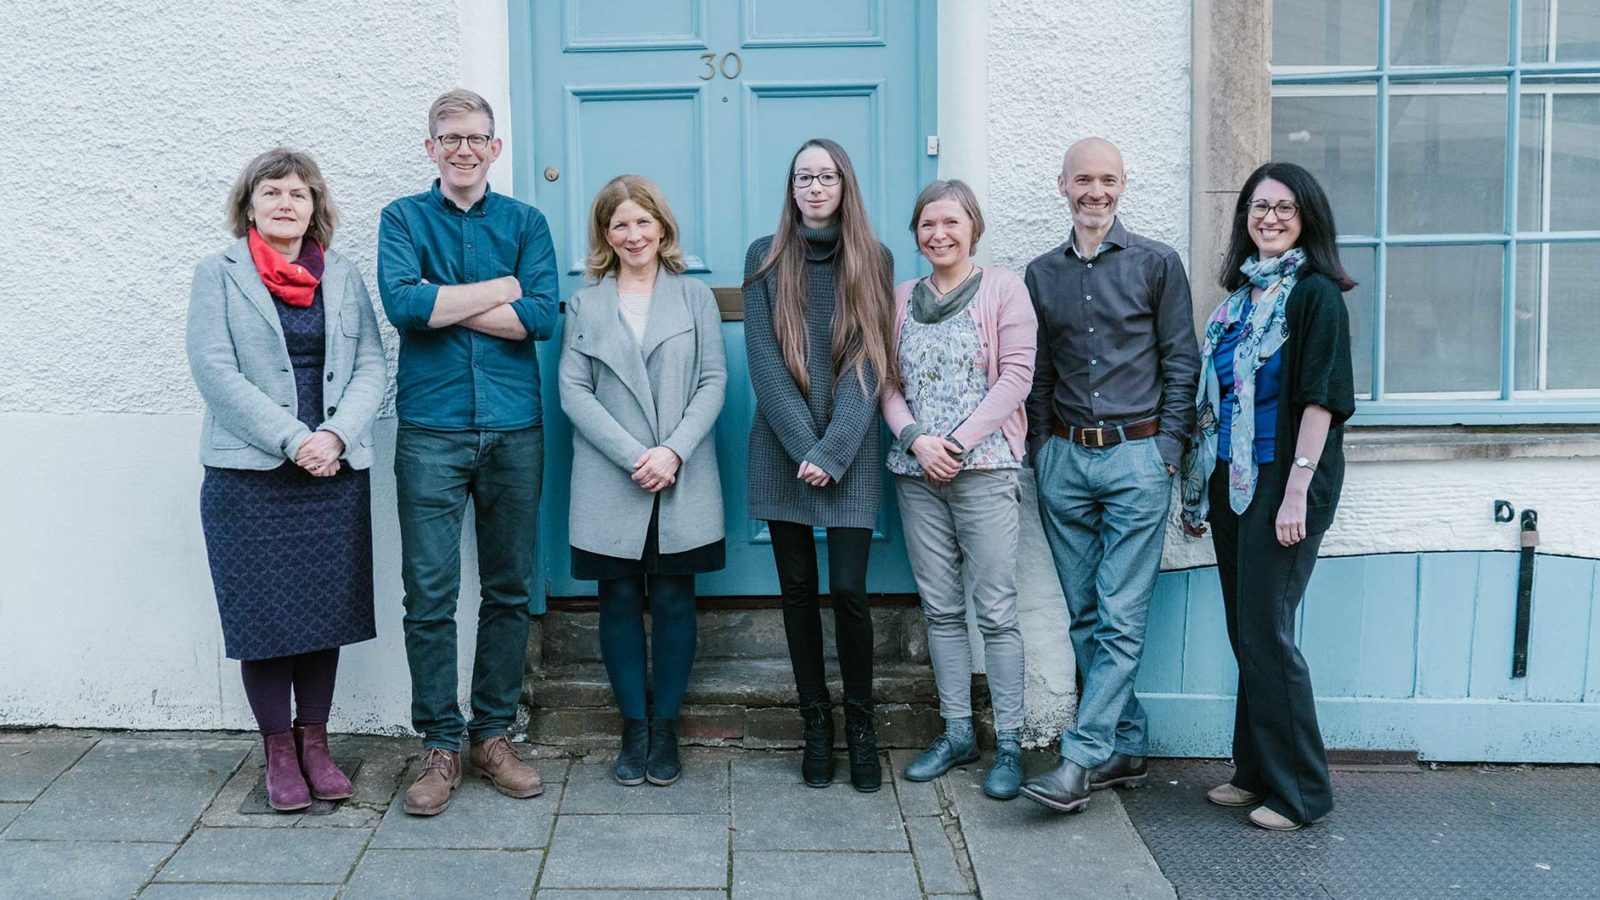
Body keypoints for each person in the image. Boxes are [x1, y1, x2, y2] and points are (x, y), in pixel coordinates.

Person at [378, 88, 560, 816]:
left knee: (509, 588)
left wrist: (445, 301)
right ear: (431, 147)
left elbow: (540, 317)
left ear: (494, 148)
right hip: (432, 428)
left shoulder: (526, 222)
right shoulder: (402, 218)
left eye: (476, 137)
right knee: (428, 593)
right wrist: (499, 290)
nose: (463, 149)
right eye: (450, 137)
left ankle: (492, 734)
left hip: (515, 427)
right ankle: (440, 744)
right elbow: (404, 306)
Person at [187, 148, 386, 811]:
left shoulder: (343, 275)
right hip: (250, 475)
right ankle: (279, 750)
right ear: (249, 205)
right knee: (264, 614)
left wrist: (336, 436)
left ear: (314, 206)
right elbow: (215, 371)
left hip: (332, 470)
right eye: (271, 192)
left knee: (324, 612)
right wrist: (295, 439)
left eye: (298, 193)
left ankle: (316, 744)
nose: (284, 203)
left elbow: (371, 364)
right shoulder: (218, 275)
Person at [1019, 137, 1201, 814]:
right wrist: (1041, 450)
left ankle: (1080, 758)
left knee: (1120, 617)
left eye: (1107, 180)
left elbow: (1182, 361)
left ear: (1123, 186)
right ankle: (1125, 745)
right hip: (1064, 459)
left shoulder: (1157, 263)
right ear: (1062, 185)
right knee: (1086, 615)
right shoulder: (1041, 274)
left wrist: (1167, 450)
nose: (1095, 192)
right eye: (1083, 180)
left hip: (1138, 457)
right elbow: (1038, 371)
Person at [1179, 162, 1356, 832]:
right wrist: (1201, 490)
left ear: (1306, 217)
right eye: (1259, 206)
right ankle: (1254, 772)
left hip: (1285, 484)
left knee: (1267, 635)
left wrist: (1296, 494)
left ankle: (1302, 793)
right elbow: (1217, 402)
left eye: (1284, 207)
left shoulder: (1314, 296)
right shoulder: (1239, 302)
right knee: (1246, 632)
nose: (1270, 218)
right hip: (1233, 482)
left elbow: (1322, 400)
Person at [559, 175, 727, 787]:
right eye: (620, 225)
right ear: (606, 235)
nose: (634, 235)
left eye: (643, 222)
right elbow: (573, 391)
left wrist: (673, 452)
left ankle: (667, 729)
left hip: (682, 474)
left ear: (662, 227)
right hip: (613, 476)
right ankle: (634, 727)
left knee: (677, 598)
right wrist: (637, 455)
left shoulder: (694, 298)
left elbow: (713, 381)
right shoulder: (586, 304)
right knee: (620, 600)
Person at [742, 138, 896, 792]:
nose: (814, 187)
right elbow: (763, 361)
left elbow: (871, 361)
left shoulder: (874, 259)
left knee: (850, 591)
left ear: (844, 185)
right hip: (782, 448)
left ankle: (860, 723)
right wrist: (806, 446)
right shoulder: (765, 257)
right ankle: (815, 722)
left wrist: (832, 451)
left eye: (826, 176)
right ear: (792, 188)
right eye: (803, 177)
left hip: (850, 450)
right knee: (798, 589)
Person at [881, 180, 1035, 800]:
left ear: (973, 227)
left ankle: (1011, 743)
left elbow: (1016, 377)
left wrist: (957, 443)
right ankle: (957, 732)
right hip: (917, 475)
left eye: (951, 222)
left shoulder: (1003, 288)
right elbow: (886, 383)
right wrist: (917, 440)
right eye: (927, 224)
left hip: (986, 470)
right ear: (916, 234)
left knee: (995, 610)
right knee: (941, 609)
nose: (939, 234)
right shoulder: (899, 297)